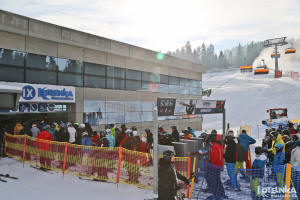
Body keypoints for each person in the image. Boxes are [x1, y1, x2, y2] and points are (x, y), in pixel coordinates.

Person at [207, 131, 227, 199]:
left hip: (215, 167)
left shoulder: (216, 146)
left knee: (216, 181)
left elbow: (217, 158)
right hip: (215, 166)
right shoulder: (215, 145)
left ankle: (218, 194)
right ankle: (220, 193)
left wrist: (212, 165)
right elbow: (212, 156)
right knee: (216, 180)